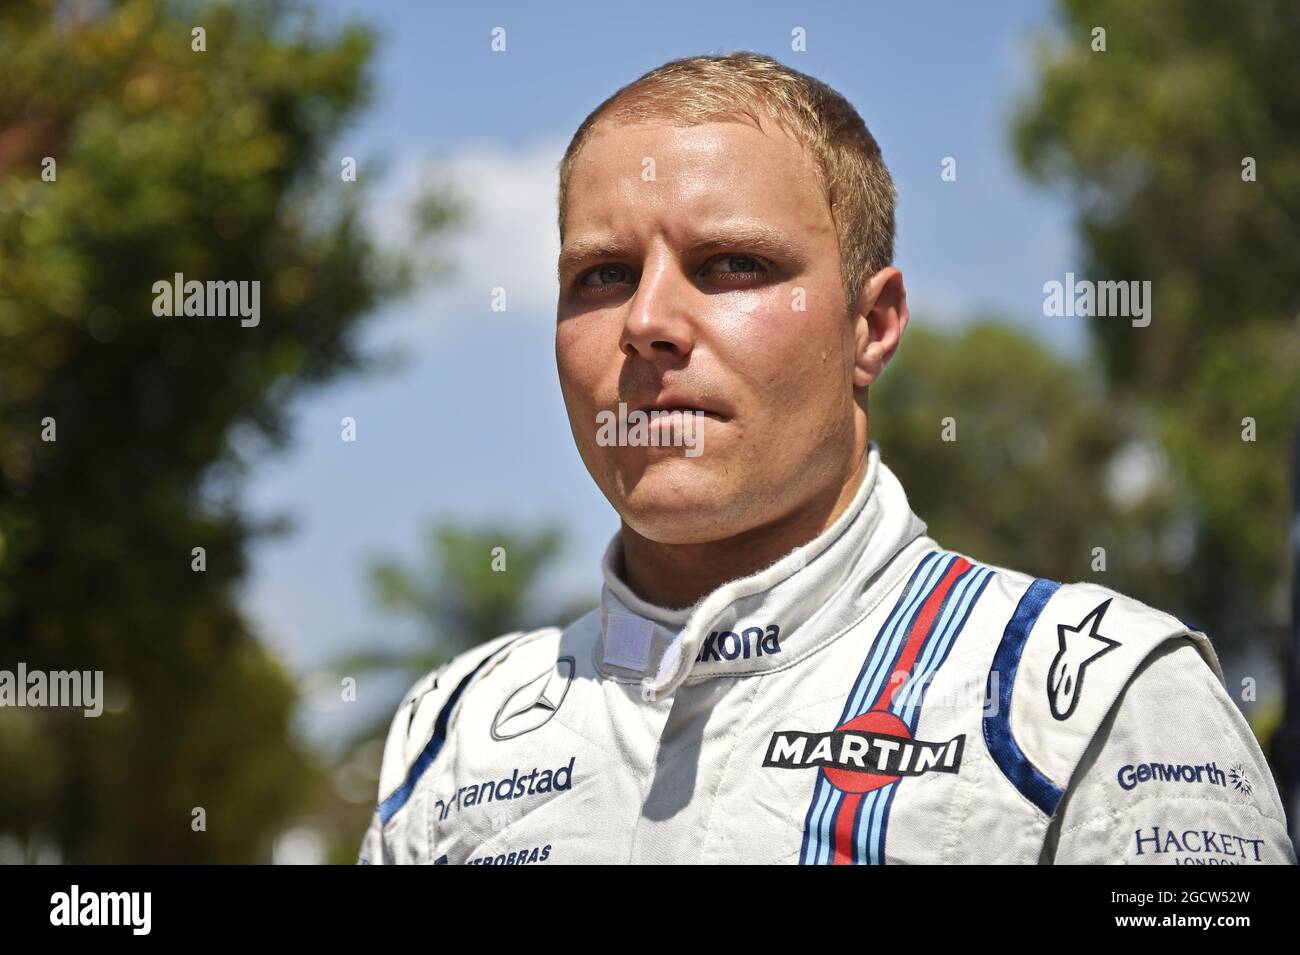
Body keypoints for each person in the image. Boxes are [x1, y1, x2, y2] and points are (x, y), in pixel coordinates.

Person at [358, 52, 1296, 865]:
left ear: (872, 326)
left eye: (731, 265)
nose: (645, 324)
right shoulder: (451, 736)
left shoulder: (1093, 698)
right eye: (600, 275)